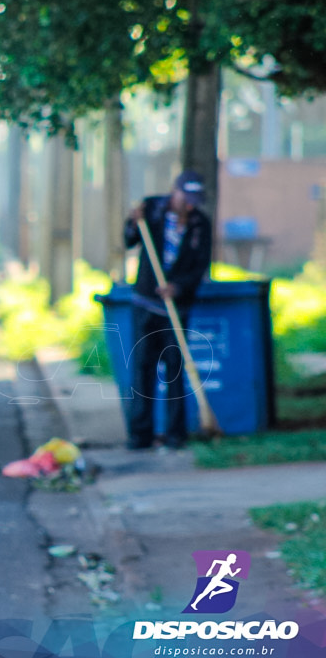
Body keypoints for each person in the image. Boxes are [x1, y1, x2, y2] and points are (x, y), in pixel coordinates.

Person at [123, 170, 212, 450]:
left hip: (176, 307)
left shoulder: (201, 224)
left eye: (194, 200)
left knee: (175, 368)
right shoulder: (151, 209)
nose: (189, 205)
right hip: (146, 304)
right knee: (143, 369)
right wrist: (131, 222)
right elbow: (129, 240)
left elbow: (199, 268)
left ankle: (176, 435)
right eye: (186, 198)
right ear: (175, 191)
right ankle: (140, 436)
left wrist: (178, 287)